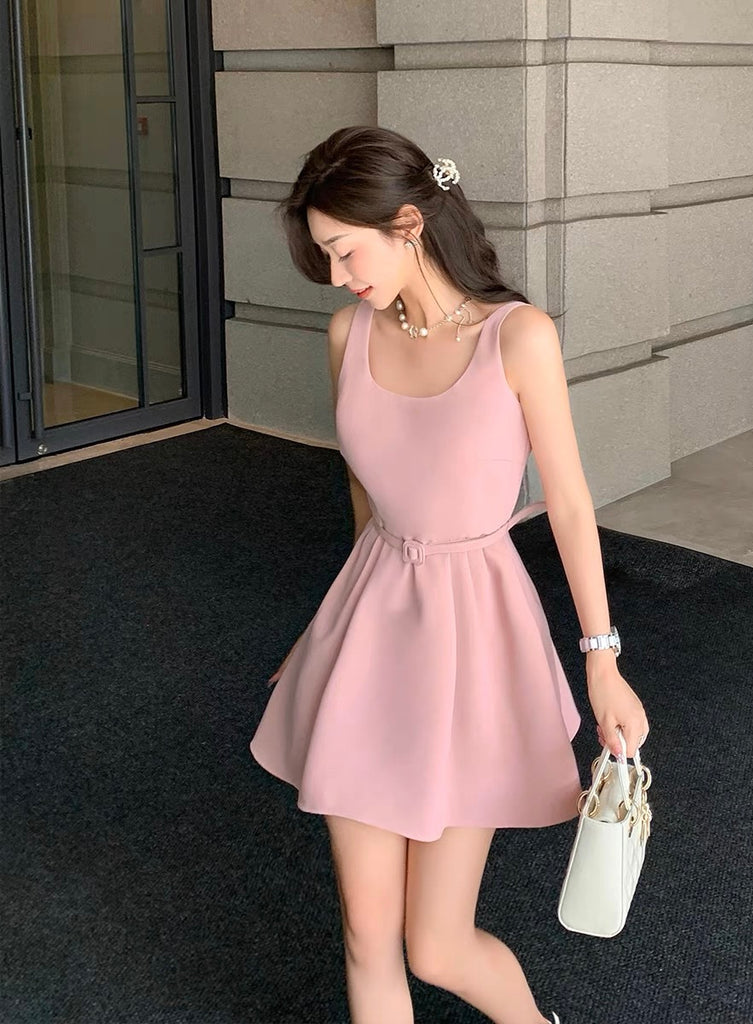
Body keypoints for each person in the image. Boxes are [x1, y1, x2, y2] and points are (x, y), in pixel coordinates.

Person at [249, 125, 650, 1024]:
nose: (338, 275)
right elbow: (366, 492)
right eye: (324, 256)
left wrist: (602, 658)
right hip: (369, 627)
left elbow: (570, 503)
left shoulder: (519, 337)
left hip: (474, 635)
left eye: (345, 250)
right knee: (367, 934)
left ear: (407, 223)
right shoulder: (347, 334)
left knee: (435, 946)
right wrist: (326, 633)